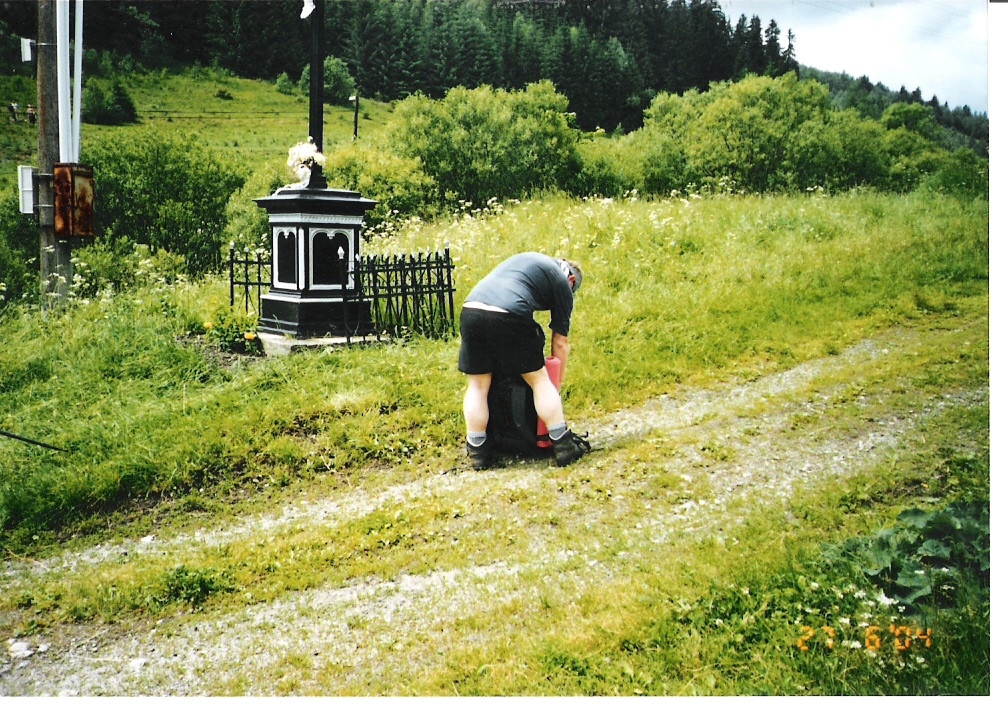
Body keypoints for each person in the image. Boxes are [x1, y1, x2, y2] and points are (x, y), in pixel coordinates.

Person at [458, 251, 590, 470]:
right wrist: (555, 383)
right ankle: (563, 445)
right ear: (572, 280)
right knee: (539, 381)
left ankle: (478, 452)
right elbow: (560, 343)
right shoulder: (561, 281)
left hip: (471, 310)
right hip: (509, 313)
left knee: (478, 386)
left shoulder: (531, 263)